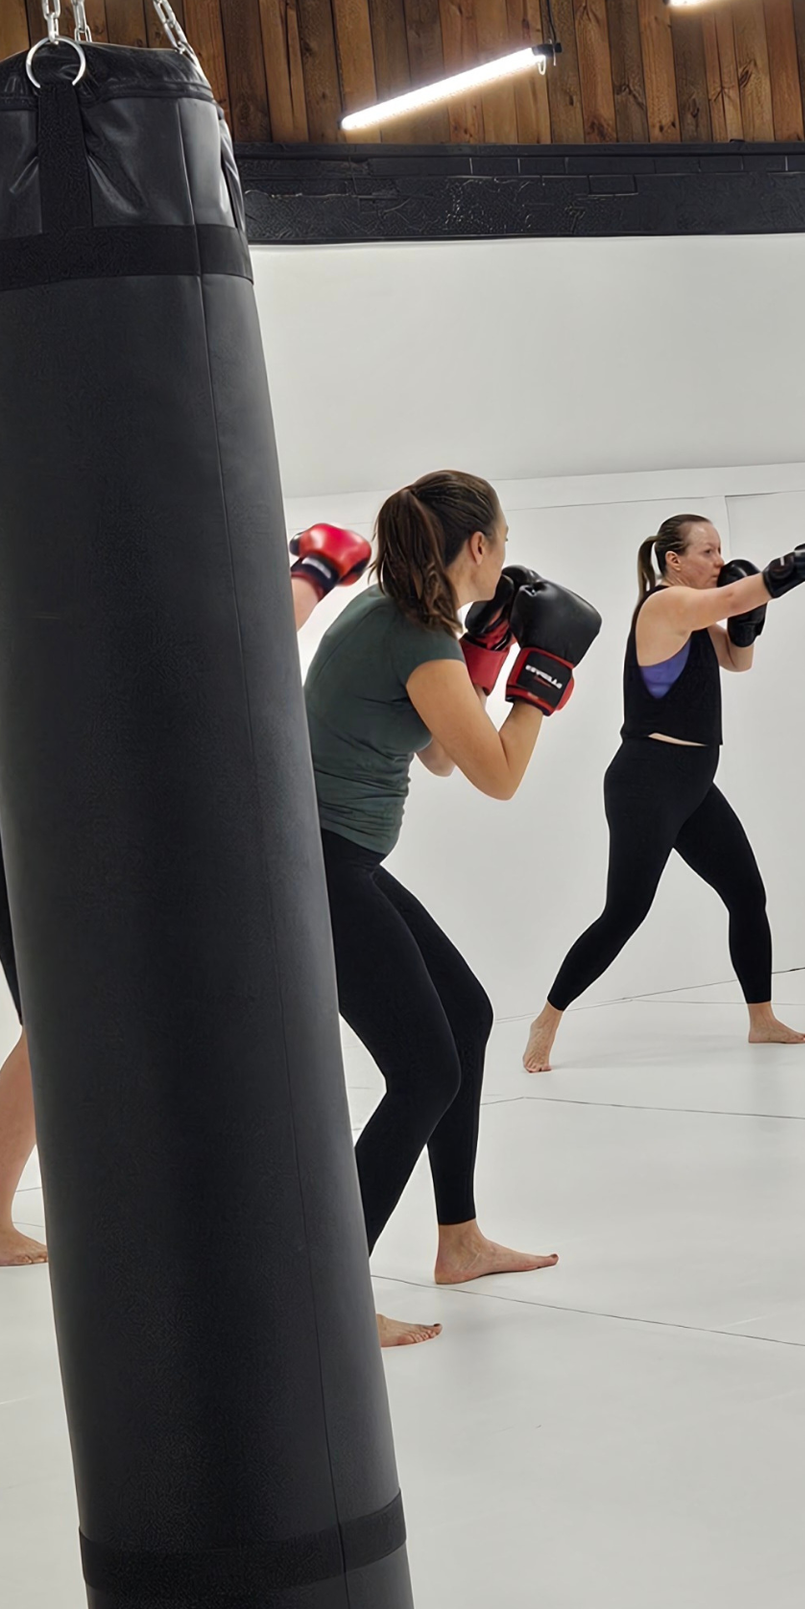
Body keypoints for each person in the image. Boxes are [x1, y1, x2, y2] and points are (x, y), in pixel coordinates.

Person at [0, 523, 374, 1267]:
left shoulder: (115, 595)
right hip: (17, 819)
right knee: (57, 1025)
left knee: (97, 1017)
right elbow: (243, 638)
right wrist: (312, 572)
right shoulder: (133, 602)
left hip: (46, 818)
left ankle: (94, 1195)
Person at [304, 473, 599, 1348]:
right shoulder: (414, 636)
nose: (505, 555)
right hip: (323, 866)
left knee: (463, 1017)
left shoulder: (396, 616)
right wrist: (540, 682)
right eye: (501, 539)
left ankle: (460, 1241)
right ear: (477, 548)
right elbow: (498, 777)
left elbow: (434, 756)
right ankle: (329, 1297)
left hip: (335, 859)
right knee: (424, 1073)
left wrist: (483, 660)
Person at [521, 514, 805, 1073]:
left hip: (694, 782)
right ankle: (549, 1017)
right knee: (626, 911)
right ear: (674, 561)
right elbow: (735, 595)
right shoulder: (664, 605)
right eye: (707, 551)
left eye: (719, 550)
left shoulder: (699, 613)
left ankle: (761, 1019)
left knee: (746, 894)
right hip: (647, 780)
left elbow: (738, 661)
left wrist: (749, 625)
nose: (717, 560)